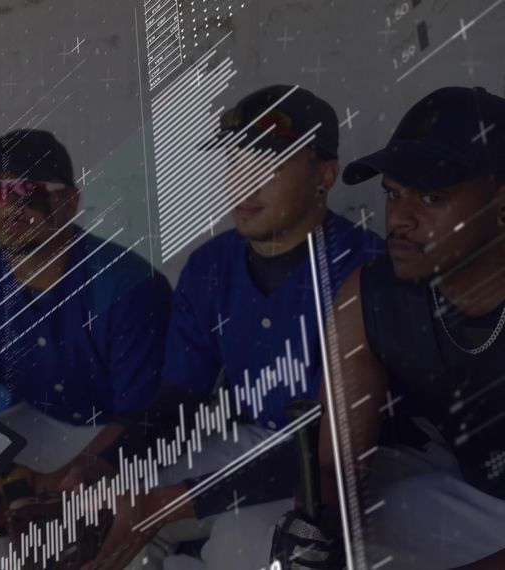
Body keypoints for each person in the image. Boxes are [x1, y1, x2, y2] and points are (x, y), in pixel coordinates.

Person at [76, 86, 385, 570]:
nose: (243, 182)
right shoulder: (211, 265)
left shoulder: (365, 267)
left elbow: (333, 452)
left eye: (267, 164)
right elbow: (180, 398)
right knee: (104, 507)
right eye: (234, 161)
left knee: (239, 541)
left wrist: (168, 503)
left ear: (324, 175)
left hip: (364, 463)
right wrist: (98, 466)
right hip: (257, 437)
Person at [290, 86, 505, 570]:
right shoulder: (369, 295)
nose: (399, 219)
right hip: (473, 494)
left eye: (431, 196)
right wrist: (312, 530)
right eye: (393, 193)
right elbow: (333, 467)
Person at [0, 129, 172, 515]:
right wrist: (1, 480)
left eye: (23, 192)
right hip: (44, 422)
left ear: (68, 201)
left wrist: (62, 482)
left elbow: (146, 417)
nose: (8, 209)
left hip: (131, 437)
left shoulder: (128, 285)